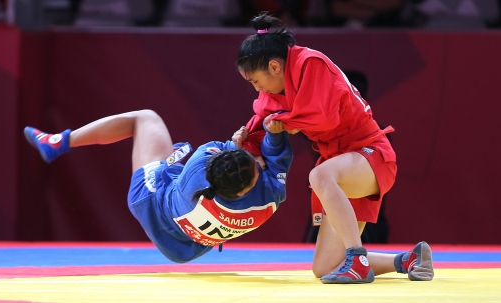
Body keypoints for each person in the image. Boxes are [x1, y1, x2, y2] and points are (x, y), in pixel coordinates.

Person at [231, 12, 434, 284]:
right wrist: (244, 140)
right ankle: (408, 260)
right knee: (325, 267)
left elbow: (323, 116)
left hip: (370, 155)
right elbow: (262, 121)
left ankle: (358, 260)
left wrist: (282, 122)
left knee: (319, 176)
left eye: (255, 81)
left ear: (274, 67)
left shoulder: (311, 63)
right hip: (341, 167)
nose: (256, 88)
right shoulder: (275, 90)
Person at [24, 109, 293, 263]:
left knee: (145, 119)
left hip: (152, 203)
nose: (259, 161)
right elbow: (278, 159)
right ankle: (168, 159)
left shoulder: (200, 166)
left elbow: (229, 149)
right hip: (184, 249)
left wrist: (236, 144)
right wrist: (273, 137)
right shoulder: (271, 196)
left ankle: (58, 142)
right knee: (171, 161)